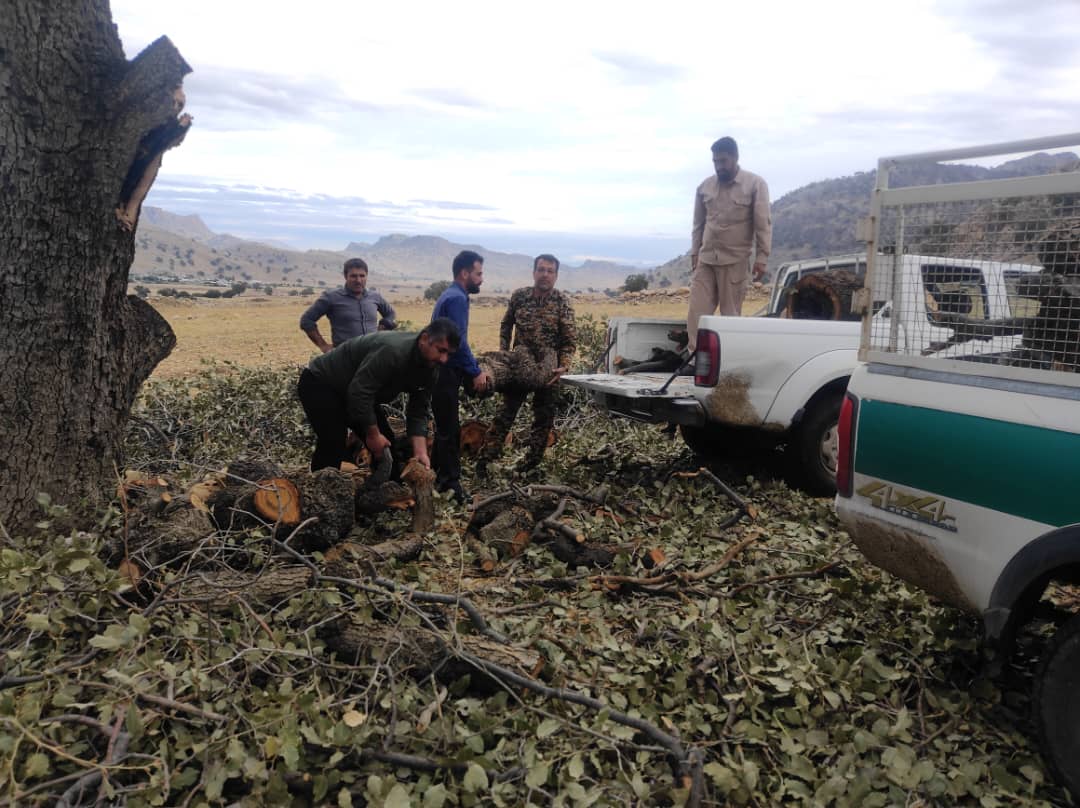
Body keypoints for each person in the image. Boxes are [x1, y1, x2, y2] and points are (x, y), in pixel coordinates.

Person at [296, 318, 460, 472]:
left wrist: (420, 452)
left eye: (450, 354)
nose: (444, 359)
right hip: (321, 383)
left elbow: (418, 410)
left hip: (355, 391)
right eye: (441, 350)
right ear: (424, 338)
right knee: (333, 440)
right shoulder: (393, 351)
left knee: (387, 442)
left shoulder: (431, 368)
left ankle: (383, 493)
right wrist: (372, 434)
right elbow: (360, 392)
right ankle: (320, 493)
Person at [480, 254, 576, 474]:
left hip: (549, 369)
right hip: (520, 364)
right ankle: (485, 461)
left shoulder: (563, 303)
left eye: (550, 271)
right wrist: (504, 352)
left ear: (556, 275)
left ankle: (530, 465)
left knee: (543, 418)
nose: (545, 274)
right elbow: (506, 324)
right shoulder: (520, 296)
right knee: (505, 413)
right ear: (534, 272)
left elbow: (569, 341)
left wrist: (564, 366)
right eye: (541, 269)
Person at [686, 136, 772, 352]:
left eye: (723, 161)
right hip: (706, 259)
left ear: (735, 158)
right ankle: (693, 360)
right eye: (715, 161)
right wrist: (695, 253)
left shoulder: (755, 184)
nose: (719, 166)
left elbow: (763, 224)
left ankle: (725, 363)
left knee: (730, 317)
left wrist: (762, 258)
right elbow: (698, 224)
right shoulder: (704, 187)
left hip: (735, 260)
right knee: (696, 313)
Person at [429, 250, 492, 501]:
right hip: (444, 371)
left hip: (442, 370)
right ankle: (452, 486)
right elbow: (458, 341)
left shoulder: (453, 294)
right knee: (450, 430)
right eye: (478, 274)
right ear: (464, 273)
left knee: (445, 428)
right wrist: (475, 372)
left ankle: (435, 476)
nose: (481, 279)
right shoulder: (456, 298)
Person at [300, 257, 397, 352]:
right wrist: (323, 346)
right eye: (353, 276)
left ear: (367, 276)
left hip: (371, 355)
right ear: (346, 277)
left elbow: (390, 313)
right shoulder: (331, 297)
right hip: (344, 357)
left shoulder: (375, 296)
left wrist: (385, 323)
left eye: (362, 276)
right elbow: (306, 320)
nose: (358, 280)